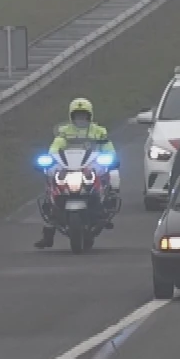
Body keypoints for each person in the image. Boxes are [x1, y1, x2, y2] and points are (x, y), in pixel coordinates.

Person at [36, 97, 119, 249]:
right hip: (68, 166)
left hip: (92, 167)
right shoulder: (64, 132)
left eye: (83, 115)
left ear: (89, 115)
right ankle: (47, 234)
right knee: (50, 185)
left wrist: (112, 158)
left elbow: (108, 147)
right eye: (77, 115)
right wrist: (51, 159)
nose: (81, 118)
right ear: (71, 116)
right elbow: (55, 148)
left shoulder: (98, 131)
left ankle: (106, 208)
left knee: (113, 176)